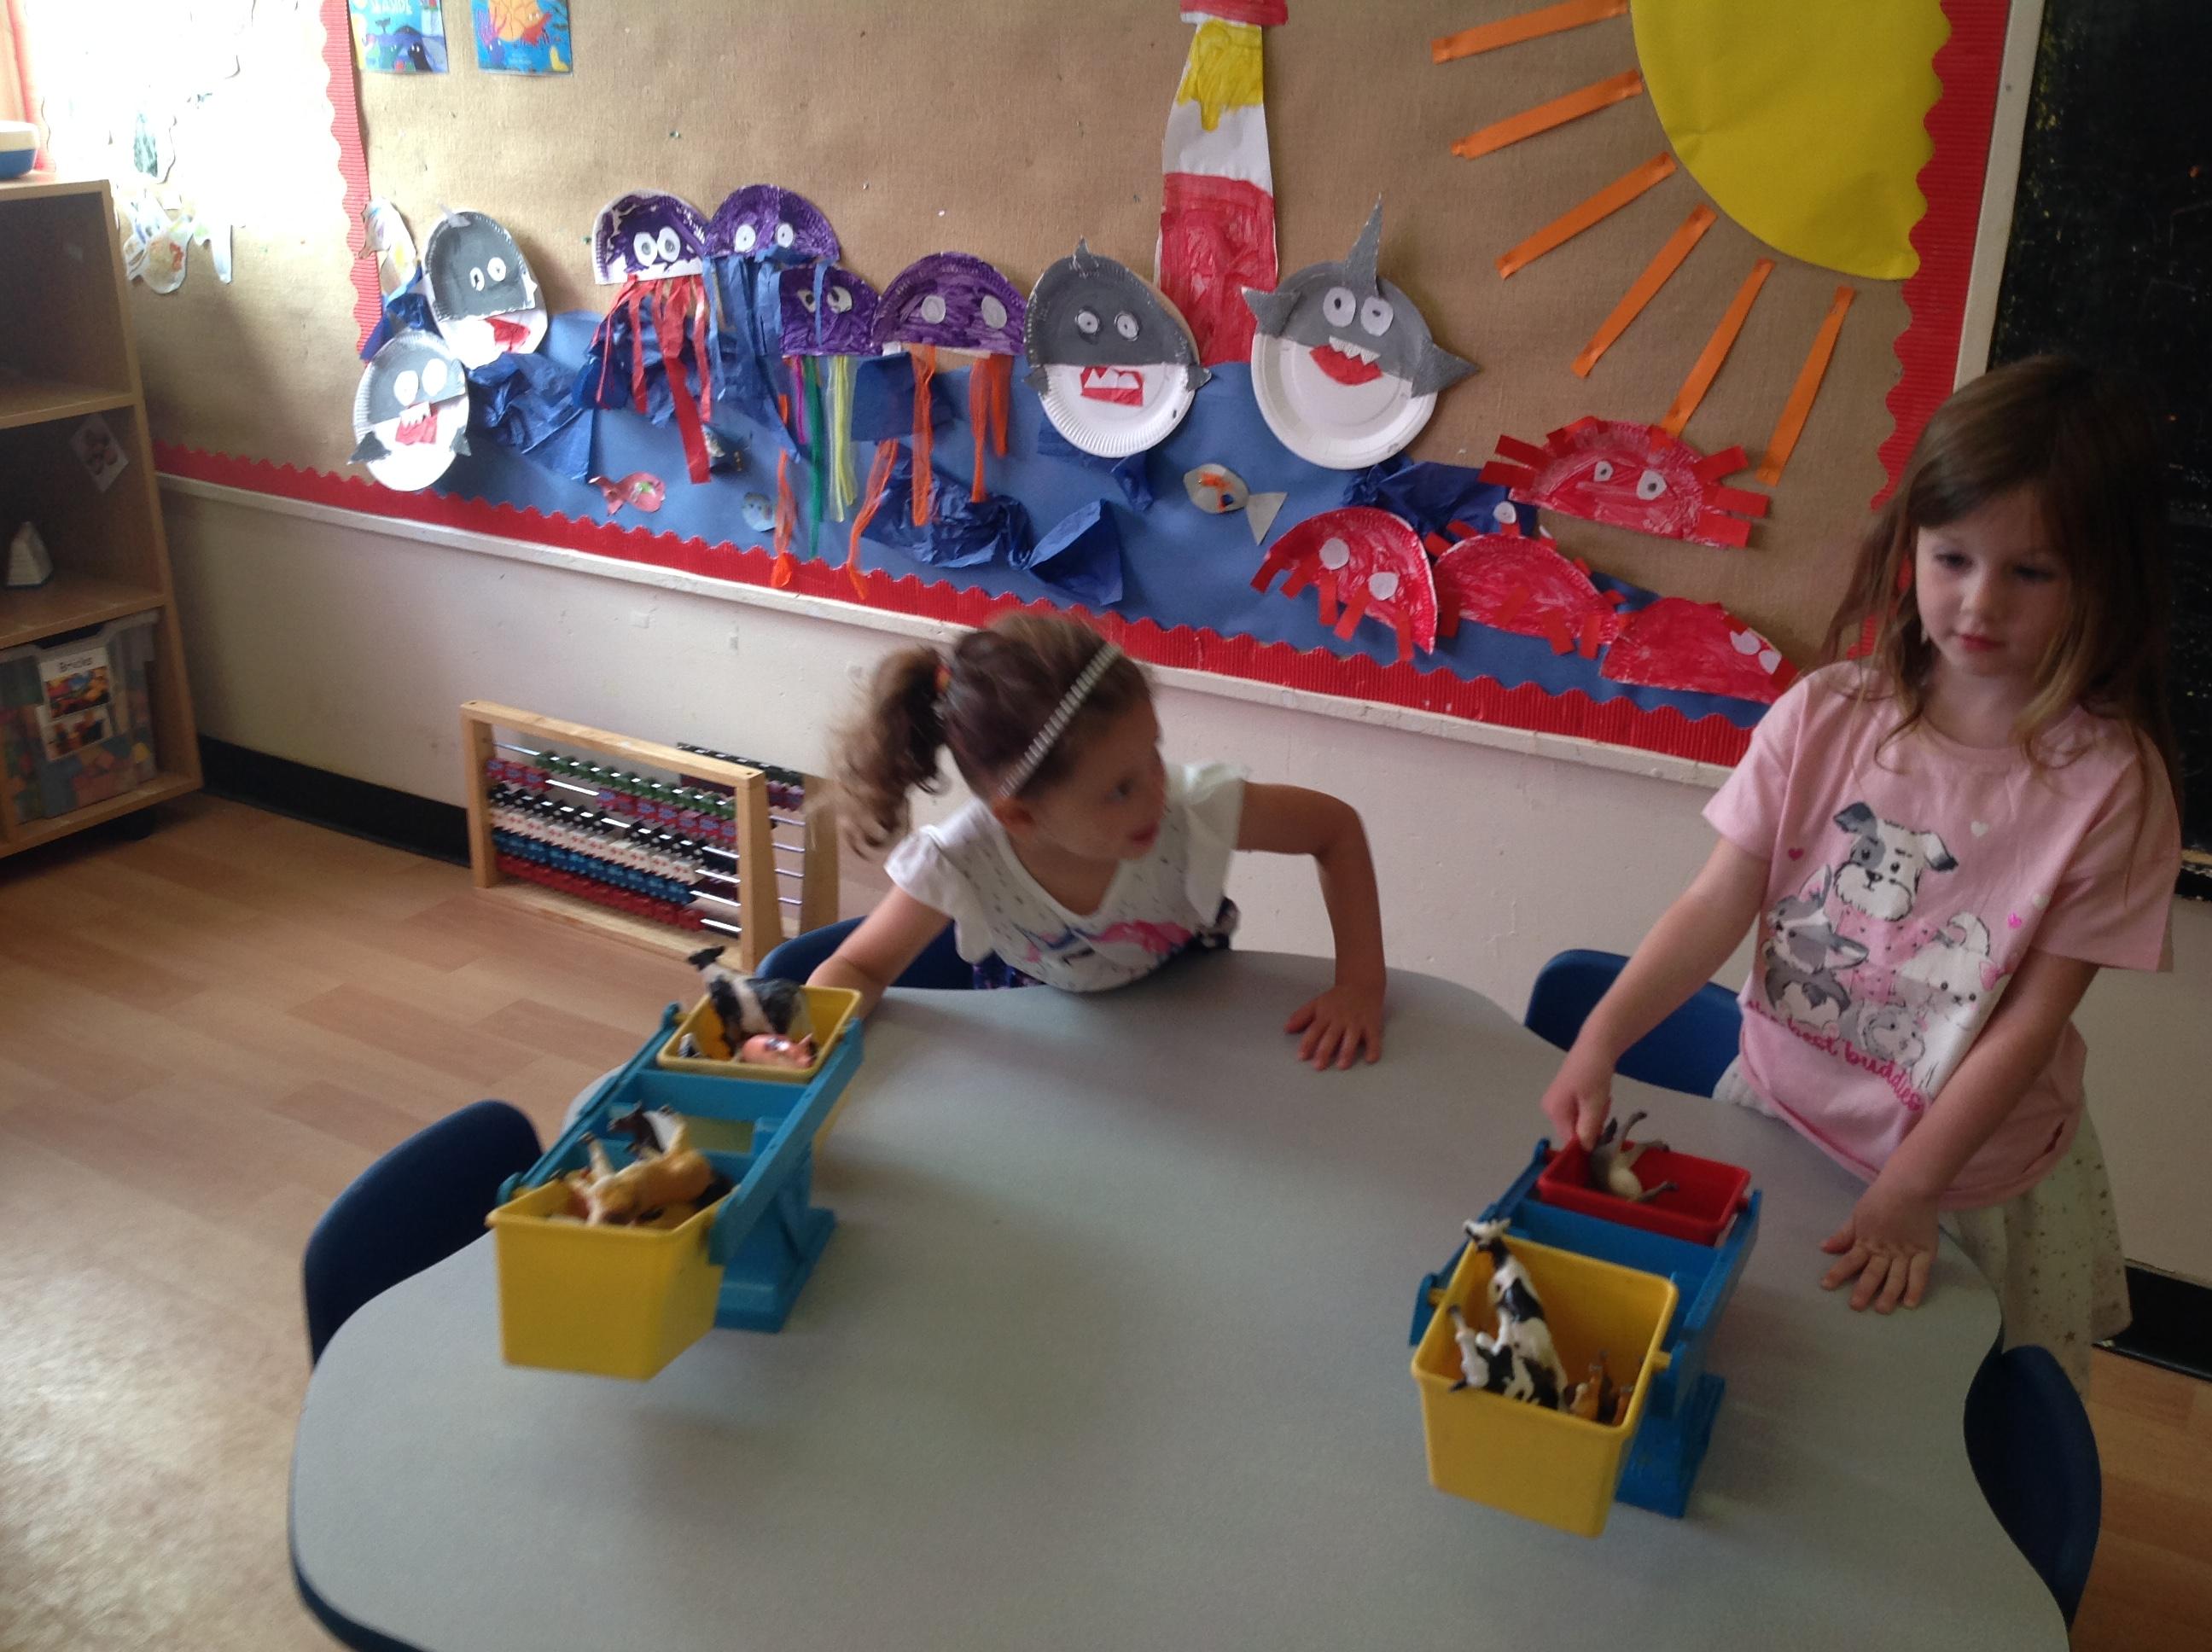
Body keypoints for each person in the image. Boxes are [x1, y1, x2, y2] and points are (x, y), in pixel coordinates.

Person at [1538, 358, 2181, 1387]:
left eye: (2032, 572)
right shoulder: (1826, 711)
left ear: (2105, 578)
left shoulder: (2112, 786)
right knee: (1770, 1372)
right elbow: (1714, 902)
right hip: (1775, 1116)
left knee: (1942, 1403)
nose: (1979, 602)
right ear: (1910, 544)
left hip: (1965, 1179)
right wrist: (1602, 1036)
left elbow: (2030, 1024)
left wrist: (1914, 1185)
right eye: (1952, 556)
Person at [813, 613, 1388, 1068]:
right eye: (1119, 790)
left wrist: (1360, 985)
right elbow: (857, 969)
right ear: (1020, 817)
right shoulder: (958, 861)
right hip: (1051, 1051)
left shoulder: (1191, 810)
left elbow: (1334, 829)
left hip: (1193, 1026)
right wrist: (807, 1046)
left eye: (1154, 753)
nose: (1156, 793)